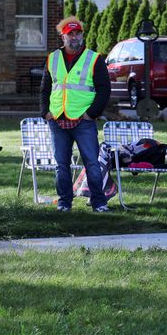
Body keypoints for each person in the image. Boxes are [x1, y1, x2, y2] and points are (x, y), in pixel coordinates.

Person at [40, 16, 112, 213]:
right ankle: (64, 202)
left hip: (83, 120)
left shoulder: (94, 59)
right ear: (63, 37)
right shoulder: (52, 58)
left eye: (78, 33)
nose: (74, 37)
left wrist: (91, 114)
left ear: (82, 35)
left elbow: (104, 90)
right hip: (57, 119)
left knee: (92, 163)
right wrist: (45, 112)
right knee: (61, 165)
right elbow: (45, 89)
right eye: (70, 34)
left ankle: (99, 202)